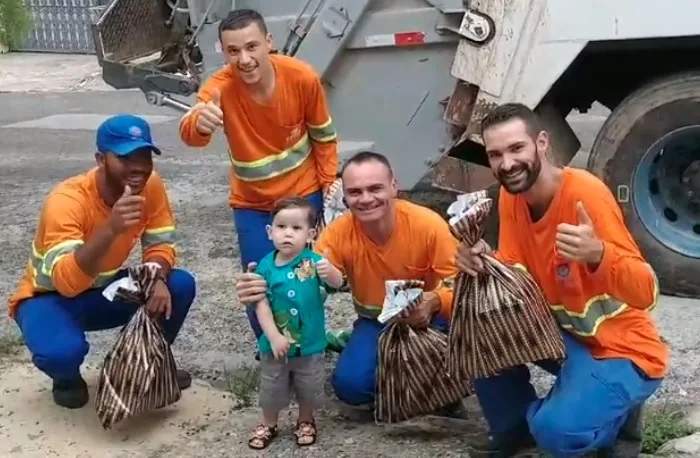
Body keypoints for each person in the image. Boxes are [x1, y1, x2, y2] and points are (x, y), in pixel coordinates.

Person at [454, 103, 669, 457]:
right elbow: (515, 273)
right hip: (567, 339)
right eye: (495, 154)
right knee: (474, 323)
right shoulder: (511, 195)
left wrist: (598, 253)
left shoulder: (585, 194)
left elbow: (646, 291)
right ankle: (515, 431)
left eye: (516, 148)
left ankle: (612, 428)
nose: (507, 164)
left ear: (541, 143)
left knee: (555, 432)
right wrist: (481, 265)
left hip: (622, 349)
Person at [235, 151, 464, 413]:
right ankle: (394, 374)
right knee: (350, 388)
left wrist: (434, 301)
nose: (366, 199)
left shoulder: (428, 224)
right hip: (375, 321)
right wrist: (262, 288)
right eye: (355, 192)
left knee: (454, 369)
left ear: (394, 187)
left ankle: (427, 382)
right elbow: (305, 282)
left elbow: (460, 282)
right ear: (345, 197)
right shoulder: (338, 234)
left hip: (431, 320)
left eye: (375, 188)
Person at [7, 114, 197, 410]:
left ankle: (142, 363)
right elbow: (67, 284)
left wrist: (157, 278)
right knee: (61, 352)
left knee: (179, 284)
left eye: (144, 156)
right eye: (125, 157)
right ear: (101, 159)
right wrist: (111, 228)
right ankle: (67, 378)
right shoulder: (66, 201)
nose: (138, 167)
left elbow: (160, 243)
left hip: (104, 291)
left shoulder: (151, 185)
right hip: (51, 299)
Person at [178, 8, 339, 340]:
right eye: (233, 51)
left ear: (269, 42)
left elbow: (323, 138)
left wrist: (328, 188)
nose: (245, 59)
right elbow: (192, 130)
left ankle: (306, 345)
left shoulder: (301, 77)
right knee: (257, 281)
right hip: (251, 204)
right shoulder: (219, 87)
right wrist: (199, 123)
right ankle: (270, 350)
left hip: (302, 195)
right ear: (224, 53)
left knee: (307, 278)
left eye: (252, 47)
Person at [248, 197, 344, 449]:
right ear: (270, 232)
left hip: (310, 343)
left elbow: (338, 284)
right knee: (271, 387)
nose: (287, 234)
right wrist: (273, 336)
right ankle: (269, 423)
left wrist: (331, 271)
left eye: (296, 228)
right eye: (281, 227)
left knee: (309, 386)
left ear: (311, 234)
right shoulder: (265, 267)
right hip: (275, 345)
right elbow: (261, 305)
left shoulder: (313, 262)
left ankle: (306, 420)